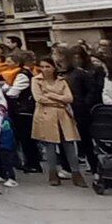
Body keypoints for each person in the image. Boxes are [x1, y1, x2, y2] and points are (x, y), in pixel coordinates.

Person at [30, 58, 85, 187]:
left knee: (69, 143)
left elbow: (69, 98)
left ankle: (76, 173)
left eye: (47, 67)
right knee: (50, 145)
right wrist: (59, 100)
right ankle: (52, 173)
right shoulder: (36, 80)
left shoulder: (62, 80)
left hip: (63, 114)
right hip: (46, 114)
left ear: (54, 67)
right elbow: (39, 98)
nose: (44, 70)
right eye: (42, 67)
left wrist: (52, 95)